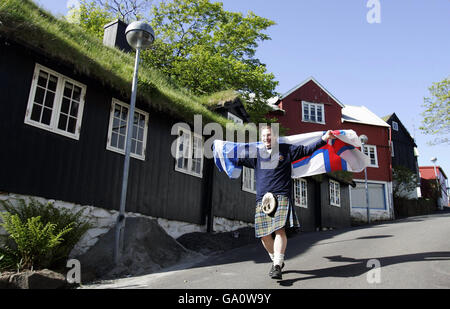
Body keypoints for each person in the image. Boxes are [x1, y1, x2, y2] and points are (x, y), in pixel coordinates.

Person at [234, 125, 336, 280]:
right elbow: (237, 157)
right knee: (264, 235)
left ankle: (276, 266)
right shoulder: (257, 154)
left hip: (281, 196)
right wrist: (220, 149)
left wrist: (323, 139)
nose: (266, 138)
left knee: (279, 231)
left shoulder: (286, 150)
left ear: (275, 136)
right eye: (263, 136)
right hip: (263, 200)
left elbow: (306, 150)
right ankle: (276, 260)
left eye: (268, 135)